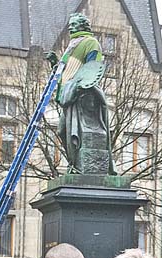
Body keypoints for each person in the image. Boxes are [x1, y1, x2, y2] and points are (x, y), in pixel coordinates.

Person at [48, 13, 115, 175]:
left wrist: (80, 87)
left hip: (81, 95)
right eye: (70, 24)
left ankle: (81, 166)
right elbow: (65, 73)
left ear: (83, 26)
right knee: (62, 131)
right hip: (69, 96)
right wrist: (54, 64)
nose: (70, 27)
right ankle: (75, 164)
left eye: (74, 24)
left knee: (81, 134)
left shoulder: (90, 42)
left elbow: (93, 68)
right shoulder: (71, 47)